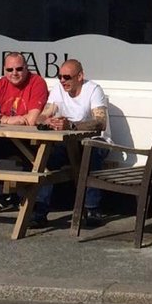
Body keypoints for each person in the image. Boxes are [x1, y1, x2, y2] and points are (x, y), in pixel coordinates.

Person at [0, 52, 50, 212]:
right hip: (6, 137)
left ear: (26, 68)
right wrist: (6, 119)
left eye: (19, 69)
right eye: (10, 69)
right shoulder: (0, 84)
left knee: (35, 164)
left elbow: (31, 120)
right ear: (4, 70)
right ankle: (1, 196)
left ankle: (31, 207)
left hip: (30, 140)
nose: (14, 73)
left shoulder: (37, 82)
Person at [35, 59, 108, 225]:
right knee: (47, 158)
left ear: (80, 76)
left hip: (95, 140)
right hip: (68, 142)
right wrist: (46, 122)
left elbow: (100, 122)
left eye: (67, 77)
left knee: (90, 153)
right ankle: (39, 208)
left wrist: (72, 125)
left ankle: (92, 208)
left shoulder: (93, 90)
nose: (62, 81)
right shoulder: (58, 90)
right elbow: (43, 115)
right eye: (59, 77)